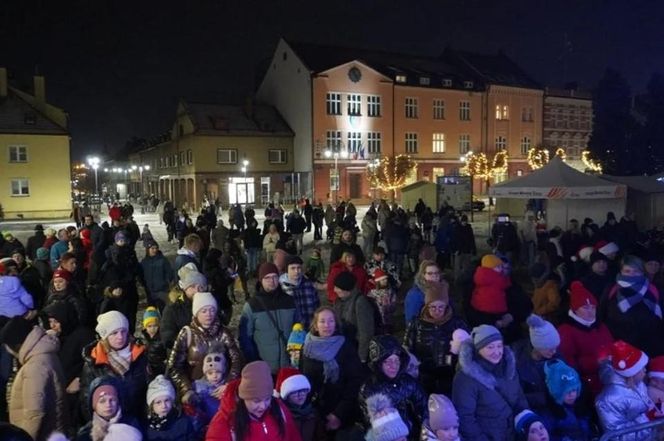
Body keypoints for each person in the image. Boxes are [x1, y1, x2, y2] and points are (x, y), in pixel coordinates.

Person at [452, 325, 528, 441]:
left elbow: (519, 398)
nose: (497, 352)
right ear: (478, 350)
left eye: (499, 346)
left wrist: (529, 422)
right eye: (490, 347)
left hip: (514, 434)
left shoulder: (509, 368)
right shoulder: (466, 378)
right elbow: (465, 417)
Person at [167, 292, 242, 405]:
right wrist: (187, 389)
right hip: (196, 391)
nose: (209, 314)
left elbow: (236, 359)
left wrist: (228, 384)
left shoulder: (224, 332)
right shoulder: (187, 333)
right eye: (204, 311)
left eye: (212, 310)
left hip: (221, 390)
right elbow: (174, 365)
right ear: (196, 313)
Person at [0, 317, 68, 440]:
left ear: (17, 346)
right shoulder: (44, 354)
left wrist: (23, 438)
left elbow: (34, 414)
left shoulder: (35, 367)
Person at [300, 307, 366, 433]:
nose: (327, 325)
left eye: (331, 321)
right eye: (322, 321)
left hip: (341, 410)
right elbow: (303, 379)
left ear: (336, 324)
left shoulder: (346, 346)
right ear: (315, 325)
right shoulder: (307, 348)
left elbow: (355, 381)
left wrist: (339, 414)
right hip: (315, 412)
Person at [205, 360, 302, 441]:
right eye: (256, 401)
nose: (263, 406)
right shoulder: (223, 423)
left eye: (267, 399)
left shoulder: (279, 409)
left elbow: (294, 436)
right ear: (243, 398)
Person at [80, 311, 148, 421]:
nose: (120, 337)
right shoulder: (93, 362)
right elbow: (87, 399)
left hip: (138, 421)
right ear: (105, 336)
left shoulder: (141, 356)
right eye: (114, 333)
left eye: (123, 331)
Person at [403, 281, 469, 395]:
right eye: (432, 307)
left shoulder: (457, 323)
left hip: (450, 376)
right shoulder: (416, 324)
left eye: (441, 307)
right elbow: (407, 348)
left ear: (446, 306)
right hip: (423, 377)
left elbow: (469, 348)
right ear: (426, 306)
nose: (437, 311)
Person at [359, 335, 428, 436]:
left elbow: (423, 408)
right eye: (388, 361)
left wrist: (424, 431)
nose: (394, 366)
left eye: (397, 361)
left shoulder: (408, 382)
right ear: (379, 363)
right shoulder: (369, 390)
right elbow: (372, 424)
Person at [42, 300, 96, 427]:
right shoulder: (57, 337)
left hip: (78, 394)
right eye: (50, 322)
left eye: (56, 321)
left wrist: (79, 378)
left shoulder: (83, 335)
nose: (53, 326)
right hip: (61, 392)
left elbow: (93, 361)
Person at [557, 281, 614, 398]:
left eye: (593, 307)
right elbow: (568, 364)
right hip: (587, 387)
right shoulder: (567, 330)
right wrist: (594, 363)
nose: (590, 311)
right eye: (585, 307)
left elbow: (613, 346)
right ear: (575, 309)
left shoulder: (601, 326)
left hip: (610, 380)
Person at [239, 263, 297, 373]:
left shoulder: (290, 301)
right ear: (261, 280)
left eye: (275, 276)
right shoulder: (252, 305)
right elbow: (245, 337)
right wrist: (254, 361)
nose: (272, 281)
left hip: (289, 365)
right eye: (267, 278)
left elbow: (299, 328)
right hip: (264, 368)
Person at [601, 255, 664, 356]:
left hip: (651, 346)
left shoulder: (653, 289)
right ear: (621, 271)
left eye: (636, 271)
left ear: (642, 272)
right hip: (620, 346)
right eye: (627, 271)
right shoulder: (612, 289)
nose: (632, 275)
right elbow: (601, 314)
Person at [595, 340, 659, 440]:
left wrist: (654, 412)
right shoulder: (608, 400)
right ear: (632, 372)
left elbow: (645, 407)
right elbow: (618, 436)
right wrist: (648, 421)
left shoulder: (638, 383)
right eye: (642, 368)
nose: (645, 370)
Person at [512, 314, 562, 414]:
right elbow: (517, 396)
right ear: (537, 345)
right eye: (550, 348)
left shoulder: (557, 357)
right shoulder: (517, 361)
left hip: (558, 407)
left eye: (555, 347)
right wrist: (546, 398)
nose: (554, 352)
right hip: (534, 412)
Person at [75, 376, 142, 441]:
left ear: (118, 401)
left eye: (112, 400)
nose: (108, 405)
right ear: (94, 405)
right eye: (102, 401)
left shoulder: (132, 425)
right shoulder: (85, 434)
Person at [542, 359, 591, 441]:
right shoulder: (549, 414)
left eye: (574, 390)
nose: (571, 394)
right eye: (566, 391)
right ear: (555, 392)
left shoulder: (582, 405)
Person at [332, 271, 376, 363]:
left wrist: (362, 358)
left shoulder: (360, 302)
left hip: (355, 351)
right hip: (344, 349)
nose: (334, 290)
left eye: (337, 287)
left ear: (346, 288)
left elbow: (366, 333)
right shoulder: (338, 301)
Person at [161, 270, 208, 348]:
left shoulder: (209, 306)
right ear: (185, 288)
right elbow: (167, 337)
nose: (197, 291)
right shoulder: (173, 309)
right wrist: (189, 343)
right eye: (192, 286)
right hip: (182, 355)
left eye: (201, 287)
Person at [468, 254, 512, 329]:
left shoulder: (480, 275)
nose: (501, 269)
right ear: (491, 268)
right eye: (498, 267)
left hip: (480, 307)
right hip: (493, 307)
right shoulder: (495, 277)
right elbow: (505, 284)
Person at [145, 374, 195, 441]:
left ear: (172, 401)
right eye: (158, 402)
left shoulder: (184, 422)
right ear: (151, 406)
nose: (164, 406)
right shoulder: (146, 426)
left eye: (167, 400)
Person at [276, 367, 319, 441]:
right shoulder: (279, 416)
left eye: (303, 390)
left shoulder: (313, 413)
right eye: (294, 392)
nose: (300, 395)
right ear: (286, 395)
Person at [193, 342, 230, 424]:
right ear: (205, 373)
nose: (214, 376)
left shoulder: (226, 386)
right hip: (204, 421)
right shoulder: (199, 386)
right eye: (210, 373)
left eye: (218, 372)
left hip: (223, 421)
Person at [279, 255, 320, 329]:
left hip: (309, 328)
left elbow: (317, 306)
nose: (296, 271)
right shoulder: (281, 287)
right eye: (293, 268)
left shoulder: (309, 285)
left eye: (299, 268)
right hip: (290, 331)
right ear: (286, 269)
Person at [404, 260, 445, 325]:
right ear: (423, 275)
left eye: (436, 273)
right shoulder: (415, 294)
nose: (434, 276)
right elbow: (412, 319)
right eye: (430, 273)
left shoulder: (443, 289)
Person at [141, 241, 174, 311]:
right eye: (152, 248)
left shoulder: (163, 260)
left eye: (156, 248)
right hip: (150, 292)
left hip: (162, 292)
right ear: (148, 249)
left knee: (164, 312)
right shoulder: (144, 262)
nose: (155, 250)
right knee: (152, 312)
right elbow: (141, 275)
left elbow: (170, 273)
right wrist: (144, 284)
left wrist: (166, 283)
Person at [139, 307, 168, 380]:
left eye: (155, 326)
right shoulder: (144, 338)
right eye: (149, 326)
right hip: (150, 369)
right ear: (145, 327)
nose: (152, 328)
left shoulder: (162, 338)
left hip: (161, 370)